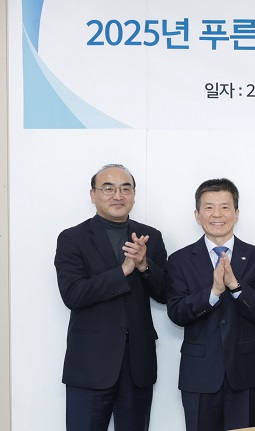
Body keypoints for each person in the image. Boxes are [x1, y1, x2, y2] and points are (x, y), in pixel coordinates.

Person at [54, 164, 168, 431]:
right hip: (90, 365)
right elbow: (73, 294)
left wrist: (144, 267)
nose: (118, 195)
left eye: (125, 188)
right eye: (108, 188)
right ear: (93, 195)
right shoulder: (72, 238)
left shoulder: (150, 236)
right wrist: (123, 271)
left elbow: (165, 294)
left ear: (134, 195)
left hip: (137, 364)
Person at [166, 179, 255, 430]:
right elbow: (177, 312)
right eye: (209, 207)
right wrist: (213, 292)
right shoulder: (180, 260)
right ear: (197, 215)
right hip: (199, 374)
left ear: (236, 213)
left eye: (225, 207)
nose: (217, 214)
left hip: (245, 372)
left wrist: (235, 286)